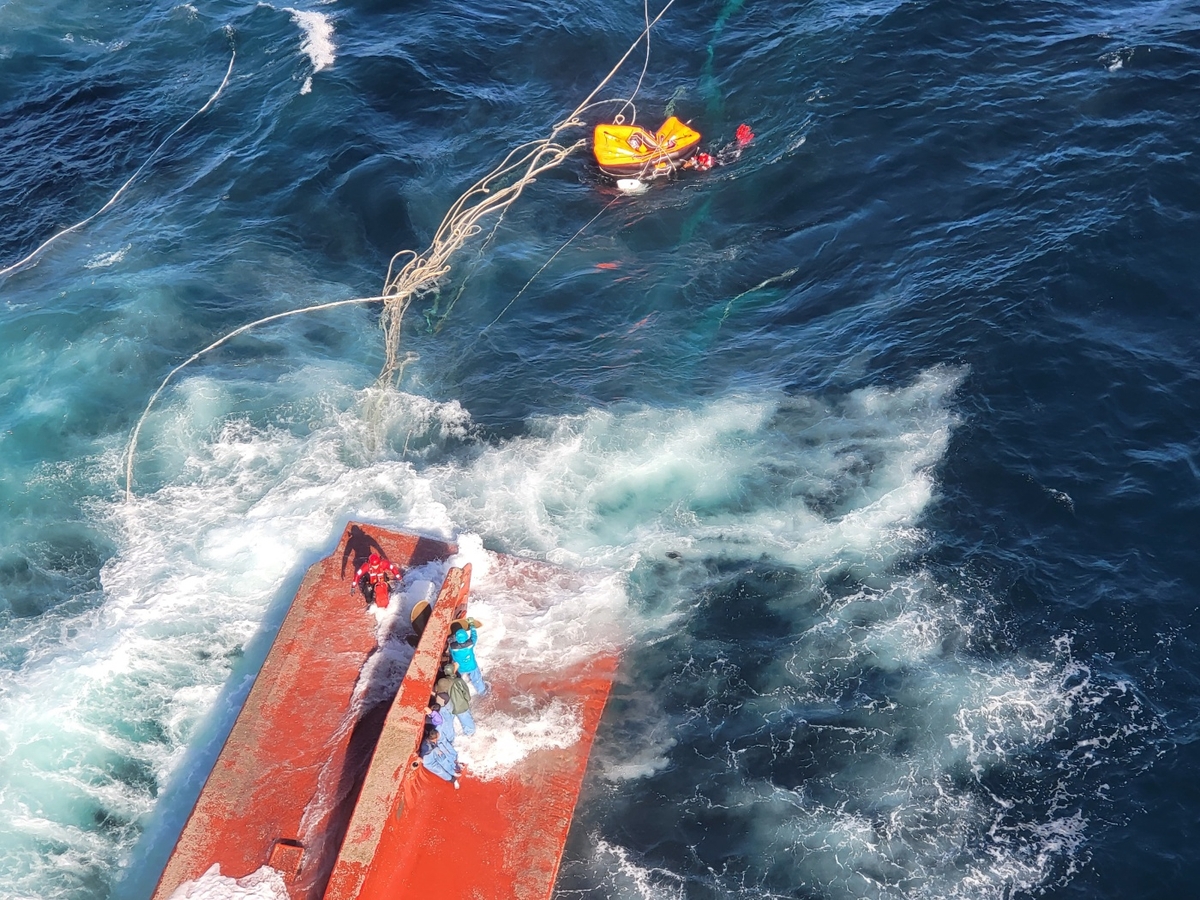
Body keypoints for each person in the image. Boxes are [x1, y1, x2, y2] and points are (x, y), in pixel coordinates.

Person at [434, 662, 475, 737]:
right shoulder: (459, 681)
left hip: (449, 706)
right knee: (469, 726)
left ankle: (451, 737)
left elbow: (437, 690)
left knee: (449, 724)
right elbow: (466, 693)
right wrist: (466, 700)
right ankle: (470, 736)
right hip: (460, 706)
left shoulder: (442, 682)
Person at [449, 620, 487, 696]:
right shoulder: (470, 643)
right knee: (477, 679)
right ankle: (483, 692)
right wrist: (472, 625)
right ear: (466, 635)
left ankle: (462, 693)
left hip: (460, 668)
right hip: (471, 666)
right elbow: (474, 636)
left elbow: (451, 655)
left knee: (460, 680)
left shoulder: (453, 647)